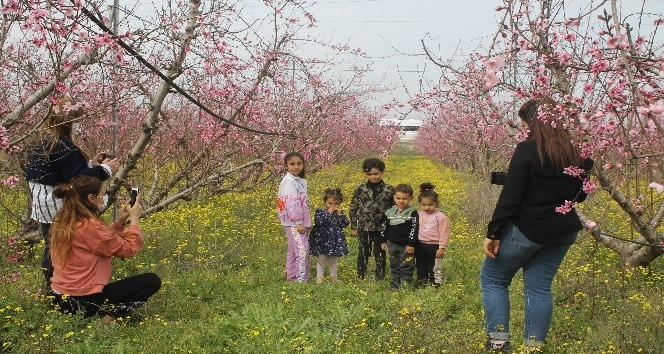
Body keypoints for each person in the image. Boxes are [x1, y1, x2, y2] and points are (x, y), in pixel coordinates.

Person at [480, 98, 594, 352]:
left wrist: (494, 232)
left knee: (493, 279)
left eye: (525, 125)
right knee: (540, 287)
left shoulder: (527, 150)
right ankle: (533, 348)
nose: (525, 131)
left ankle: (498, 344)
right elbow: (581, 194)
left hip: (527, 230)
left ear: (533, 123)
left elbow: (510, 198)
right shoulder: (581, 154)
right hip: (563, 231)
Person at [24, 97, 119, 286]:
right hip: (56, 206)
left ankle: (60, 285)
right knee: (55, 249)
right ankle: (56, 287)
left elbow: (66, 170)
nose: (78, 125)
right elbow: (77, 178)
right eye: (76, 120)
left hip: (46, 204)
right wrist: (105, 170)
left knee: (54, 246)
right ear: (65, 120)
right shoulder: (58, 145)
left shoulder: (44, 140)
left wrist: (90, 164)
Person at [49, 176, 160, 322]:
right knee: (151, 281)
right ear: (91, 198)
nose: (104, 198)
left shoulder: (62, 221)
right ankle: (107, 319)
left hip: (59, 298)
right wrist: (134, 219)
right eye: (102, 195)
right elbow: (129, 248)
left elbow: (97, 242)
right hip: (83, 300)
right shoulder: (91, 226)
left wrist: (119, 222)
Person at [349, 158, 395, 280]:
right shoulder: (361, 189)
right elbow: (353, 208)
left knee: (380, 252)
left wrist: (393, 227)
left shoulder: (389, 189)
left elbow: (395, 208)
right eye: (369, 174)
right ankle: (361, 275)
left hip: (382, 227)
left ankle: (380, 276)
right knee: (363, 252)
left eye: (376, 174)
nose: (373, 177)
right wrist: (353, 227)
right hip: (364, 227)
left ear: (382, 172)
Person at [277, 152, 311, 282]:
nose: (296, 167)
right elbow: (291, 203)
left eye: (299, 163)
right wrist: (298, 222)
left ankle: (291, 276)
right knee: (302, 250)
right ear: (286, 166)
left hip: (293, 222)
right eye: (292, 164)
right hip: (294, 222)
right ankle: (300, 279)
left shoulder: (296, 181)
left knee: (293, 249)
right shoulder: (289, 182)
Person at [380, 184, 419, 289]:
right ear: (394, 197)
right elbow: (384, 227)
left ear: (411, 198)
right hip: (392, 244)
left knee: (407, 264)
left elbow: (414, 229)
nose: (401, 201)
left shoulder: (413, 213)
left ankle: (405, 283)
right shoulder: (389, 212)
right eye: (398, 198)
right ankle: (395, 282)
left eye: (405, 199)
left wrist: (411, 244)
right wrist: (383, 241)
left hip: (406, 245)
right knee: (394, 263)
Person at [308, 188, 350, 284]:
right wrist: (328, 214)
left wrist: (340, 215)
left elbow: (344, 224)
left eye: (336, 204)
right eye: (330, 203)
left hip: (334, 241)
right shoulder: (320, 212)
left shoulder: (339, 213)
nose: (333, 206)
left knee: (333, 260)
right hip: (322, 240)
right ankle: (319, 277)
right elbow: (319, 222)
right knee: (321, 259)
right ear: (325, 202)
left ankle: (334, 277)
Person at [415, 182, 450, 288]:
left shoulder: (441, 217)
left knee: (434, 265)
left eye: (430, 205)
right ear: (419, 204)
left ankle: (436, 282)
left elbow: (444, 233)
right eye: (423, 205)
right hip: (420, 244)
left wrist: (442, 247)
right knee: (421, 264)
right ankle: (422, 280)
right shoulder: (418, 214)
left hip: (434, 245)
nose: (427, 207)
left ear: (437, 204)